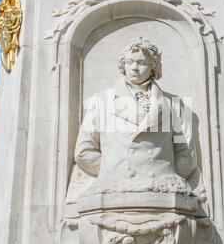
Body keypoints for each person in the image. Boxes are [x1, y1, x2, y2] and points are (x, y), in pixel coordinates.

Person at [74, 36, 205, 200]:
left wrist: (162, 176)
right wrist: (116, 171)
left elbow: (187, 154)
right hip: (114, 189)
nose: (134, 68)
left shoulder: (175, 105)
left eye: (141, 63)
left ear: (152, 67)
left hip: (162, 190)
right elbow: (84, 152)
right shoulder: (101, 101)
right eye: (129, 62)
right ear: (123, 66)